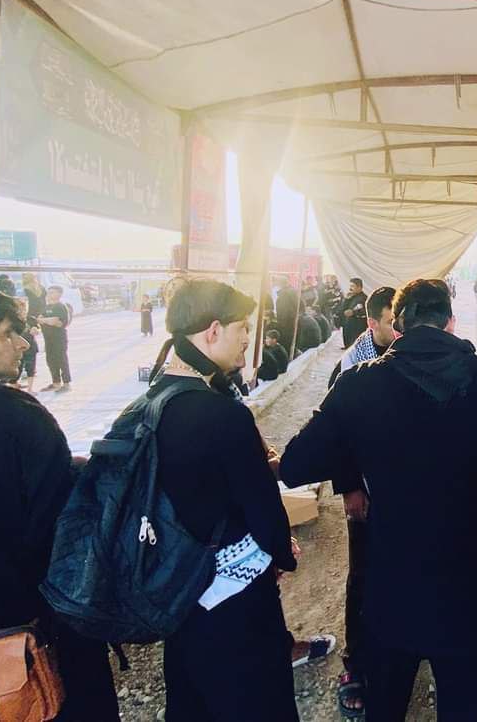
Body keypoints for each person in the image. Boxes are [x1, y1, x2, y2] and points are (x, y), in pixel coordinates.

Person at [280, 279, 477, 722]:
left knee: (386, 704)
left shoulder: (360, 384)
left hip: (393, 587)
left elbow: (297, 464)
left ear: (397, 326)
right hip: (474, 589)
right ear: (450, 322)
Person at [0, 285, 119, 721]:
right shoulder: (16, 416)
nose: (23, 344)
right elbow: (66, 532)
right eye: (9, 333)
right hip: (39, 636)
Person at [142, 280, 300, 722]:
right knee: (257, 700)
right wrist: (282, 555)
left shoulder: (152, 399)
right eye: (242, 328)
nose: (247, 338)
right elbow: (264, 510)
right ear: (213, 331)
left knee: (193, 697)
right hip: (236, 601)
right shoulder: (223, 415)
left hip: (177, 588)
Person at [323, 285, 398, 717]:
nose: (398, 329)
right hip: (365, 491)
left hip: (399, 490)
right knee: (363, 573)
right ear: (371, 324)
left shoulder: (402, 357)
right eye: (390, 322)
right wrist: (350, 485)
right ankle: (356, 662)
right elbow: (335, 435)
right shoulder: (350, 367)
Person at [39, 285, 72, 393]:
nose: (49, 294)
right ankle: (56, 382)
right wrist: (48, 320)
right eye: (49, 292)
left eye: (52, 292)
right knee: (51, 360)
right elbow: (39, 319)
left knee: (61, 360)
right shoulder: (46, 307)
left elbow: (58, 323)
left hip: (59, 338)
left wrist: (46, 320)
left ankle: (66, 384)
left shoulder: (61, 307)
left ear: (59, 294)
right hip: (48, 338)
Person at [337, 277, 368, 349]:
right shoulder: (351, 297)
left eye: (352, 286)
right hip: (348, 327)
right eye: (350, 286)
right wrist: (346, 300)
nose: (350, 288)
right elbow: (342, 310)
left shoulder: (364, 298)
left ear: (359, 287)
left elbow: (365, 311)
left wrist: (354, 312)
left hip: (357, 327)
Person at [275, 278, 301, 353]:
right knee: (292, 340)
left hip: (286, 322)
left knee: (286, 341)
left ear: (280, 284)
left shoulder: (284, 294)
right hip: (293, 319)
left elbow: (283, 310)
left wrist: (281, 323)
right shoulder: (293, 291)